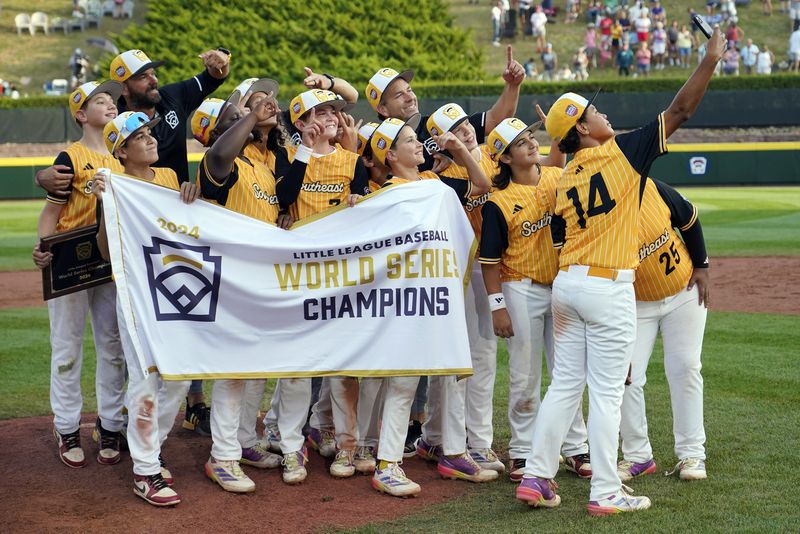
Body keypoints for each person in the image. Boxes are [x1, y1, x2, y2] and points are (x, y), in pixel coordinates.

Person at [514, 27, 725, 515]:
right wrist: (710, 60)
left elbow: (558, 231)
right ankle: (606, 490)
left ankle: (536, 476)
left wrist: (560, 137)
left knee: (566, 385)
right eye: (594, 110)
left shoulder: (564, 176)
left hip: (567, 286)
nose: (602, 112)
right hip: (608, 287)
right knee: (607, 392)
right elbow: (681, 112)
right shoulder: (624, 151)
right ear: (585, 131)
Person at [368, 114, 495, 495]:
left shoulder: (435, 183)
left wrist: (458, 151)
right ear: (390, 155)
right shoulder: (385, 194)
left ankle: (454, 452)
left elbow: (483, 184)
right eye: (409, 140)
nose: (417, 143)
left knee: (454, 371)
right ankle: (387, 464)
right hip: (406, 301)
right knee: (404, 380)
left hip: (442, 296)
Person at [91, 110, 201, 506]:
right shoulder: (115, 185)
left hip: (178, 288)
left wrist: (192, 196)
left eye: (150, 132)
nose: (151, 139)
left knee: (180, 377)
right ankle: (145, 472)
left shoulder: (171, 178)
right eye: (139, 137)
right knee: (145, 378)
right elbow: (105, 251)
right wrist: (106, 204)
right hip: (138, 294)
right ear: (122, 151)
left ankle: (153, 448)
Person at [478, 117, 589, 483]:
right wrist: (498, 307)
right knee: (525, 375)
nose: (529, 144)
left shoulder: (556, 178)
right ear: (505, 158)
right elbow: (490, 262)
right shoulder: (498, 202)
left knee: (567, 370)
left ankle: (576, 447)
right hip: (520, 286)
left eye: (529, 137)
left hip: (559, 286)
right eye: (519, 142)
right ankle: (523, 451)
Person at [191, 93, 285, 493]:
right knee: (233, 369)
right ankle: (222, 455)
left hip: (262, 274)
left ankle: (244, 441)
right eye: (237, 114)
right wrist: (247, 119)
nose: (251, 113)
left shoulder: (265, 163)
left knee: (258, 364)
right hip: (230, 275)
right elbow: (216, 157)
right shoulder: (223, 159)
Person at [32, 81, 127, 471]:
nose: (109, 105)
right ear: (81, 115)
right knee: (67, 349)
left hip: (111, 263)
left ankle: (110, 424)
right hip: (69, 261)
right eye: (99, 101)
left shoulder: (125, 158)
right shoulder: (70, 157)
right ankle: (67, 426)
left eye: (112, 101)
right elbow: (51, 214)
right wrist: (42, 247)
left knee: (112, 346)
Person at [617, 178, 710, 484]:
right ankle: (637, 456)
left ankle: (692, 453)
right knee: (626, 377)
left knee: (685, 368)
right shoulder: (601, 209)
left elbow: (690, 218)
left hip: (683, 292)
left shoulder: (653, 188)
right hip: (635, 304)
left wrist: (702, 266)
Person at [365, 45, 524, 174]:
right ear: (382, 109)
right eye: (399, 94)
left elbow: (496, 119)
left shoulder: (437, 124)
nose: (410, 97)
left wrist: (513, 86)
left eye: (410, 90)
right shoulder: (377, 146)